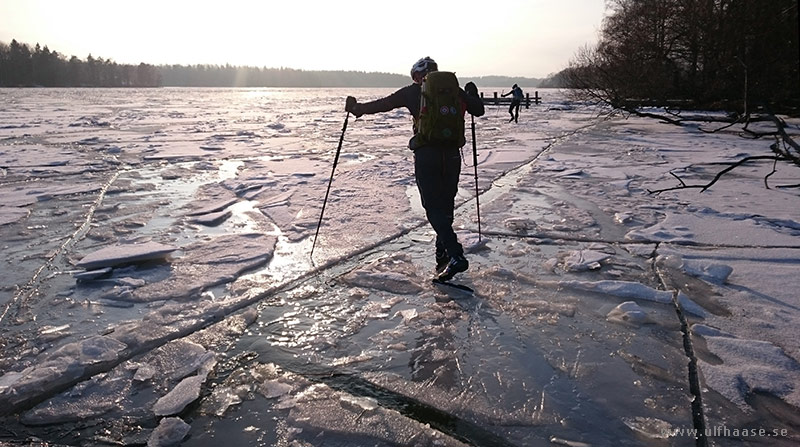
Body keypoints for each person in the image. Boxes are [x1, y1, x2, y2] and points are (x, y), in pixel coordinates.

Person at [344, 57, 485, 281]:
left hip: (427, 154)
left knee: (433, 208)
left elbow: (383, 104)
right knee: (446, 206)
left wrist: (356, 109)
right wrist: (471, 94)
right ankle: (443, 259)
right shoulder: (453, 90)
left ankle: (455, 254)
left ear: (418, 76)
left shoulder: (412, 92)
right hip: (451, 156)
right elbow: (479, 110)